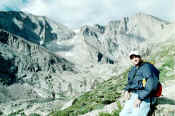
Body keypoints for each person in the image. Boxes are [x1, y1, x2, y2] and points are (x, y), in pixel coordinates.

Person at [120, 51, 160, 116]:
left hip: (145, 96)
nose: (134, 59)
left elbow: (151, 84)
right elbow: (130, 82)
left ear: (140, 57)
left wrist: (140, 98)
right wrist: (127, 90)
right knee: (123, 114)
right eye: (132, 58)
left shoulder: (147, 67)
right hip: (133, 94)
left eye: (136, 56)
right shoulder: (133, 69)